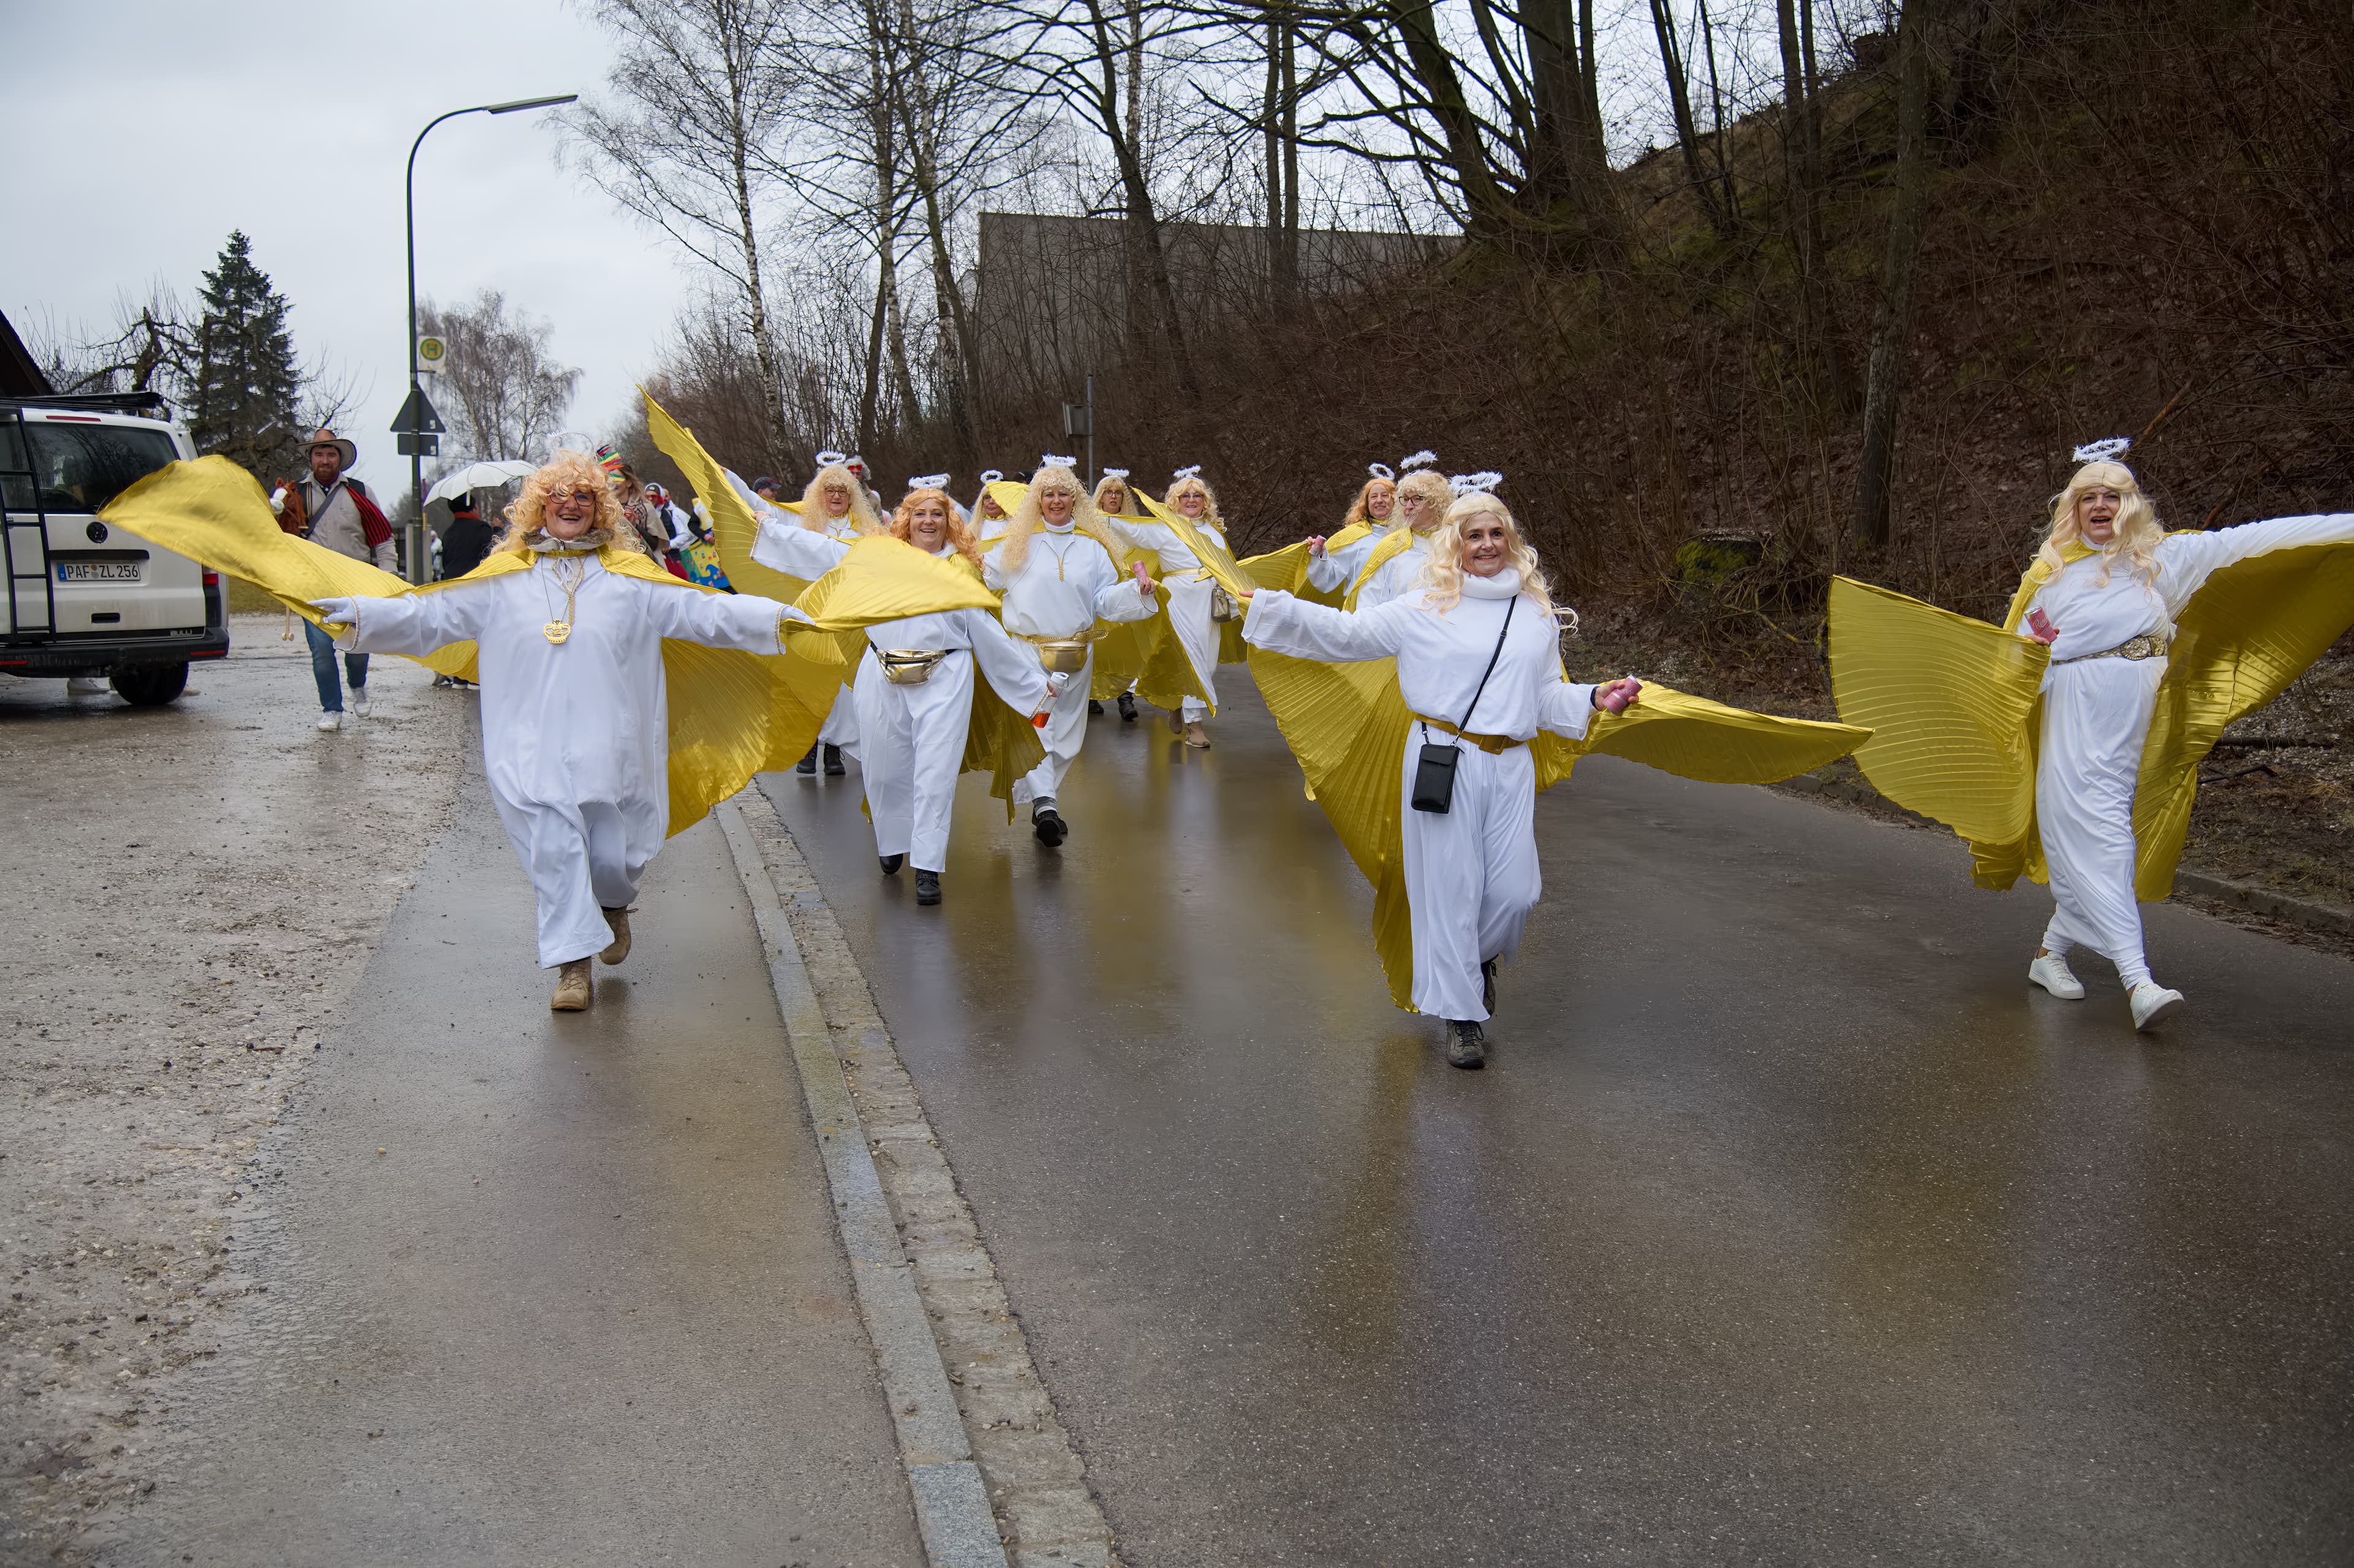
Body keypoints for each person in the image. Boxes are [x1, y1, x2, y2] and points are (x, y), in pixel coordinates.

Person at [305, 451, 809, 1012]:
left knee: (613, 850)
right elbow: (429, 616)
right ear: (537, 508)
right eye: (558, 496)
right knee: (553, 845)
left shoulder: (630, 580)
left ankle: (613, 904)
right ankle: (574, 967)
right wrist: (359, 615)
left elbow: (703, 612)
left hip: (612, 743)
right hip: (530, 744)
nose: (570, 505)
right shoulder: (502, 581)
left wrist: (776, 617)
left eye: (583, 496)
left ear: (599, 509)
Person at [1241, 492, 1641, 1067]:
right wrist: (1273, 608)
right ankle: (1461, 1017)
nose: (1487, 545)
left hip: (1511, 764)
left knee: (1516, 893)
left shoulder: (1535, 612)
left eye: (1496, 534)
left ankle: (1473, 963)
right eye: (1474, 535)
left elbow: (1545, 697)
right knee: (1451, 890)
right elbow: (1347, 635)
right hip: (1443, 759)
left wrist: (1593, 697)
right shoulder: (1422, 606)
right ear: (1454, 543)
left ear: (1512, 541)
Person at [2008, 450, 2353, 1029]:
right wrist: (2032, 651)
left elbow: (2257, 539)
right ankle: (2138, 982)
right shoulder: (2052, 576)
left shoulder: (2166, 562)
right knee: (2108, 844)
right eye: (2088, 497)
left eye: (2112, 496)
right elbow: (2016, 667)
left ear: (2130, 505)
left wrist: (2347, 527)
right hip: (2072, 731)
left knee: (2102, 845)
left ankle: (2050, 954)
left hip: (2128, 738)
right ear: (2074, 508)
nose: (2100, 506)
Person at [755, 481, 1062, 904]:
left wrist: (1035, 692)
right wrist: (769, 529)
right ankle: (892, 841)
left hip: (946, 676)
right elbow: (826, 551)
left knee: (935, 773)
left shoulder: (960, 569)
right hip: (881, 673)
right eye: (920, 514)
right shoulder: (882, 557)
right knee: (883, 769)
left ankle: (928, 866)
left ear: (949, 522)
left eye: (937, 514)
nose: (928, 521)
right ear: (906, 520)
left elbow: (988, 635)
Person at [983, 459, 1159, 845]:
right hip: (1027, 652)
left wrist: (1137, 591)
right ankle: (1047, 805)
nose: (1056, 500)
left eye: (1064, 493)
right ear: (1038, 500)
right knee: (1039, 726)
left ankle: (1043, 800)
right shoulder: (1017, 544)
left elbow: (1104, 599)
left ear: (1076, 499)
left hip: (1078, 654)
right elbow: (982, 576)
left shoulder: (1092, 548)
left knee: (1067, 736)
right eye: (1048, 494)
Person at [269, 428, 394, 731]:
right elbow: (276, 536)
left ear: (340, 459)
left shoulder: (361, 492)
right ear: (311, 458)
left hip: (357, 584)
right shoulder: (294, 493)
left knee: (357, 647)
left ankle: (358, 685)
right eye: (319, 454)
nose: (325, 460)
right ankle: (331, 709)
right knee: (322, 651)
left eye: (330, 454)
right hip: (314, 585)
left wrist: (388, 576)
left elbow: (382, 537)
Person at [1103, 465, 1232, 748]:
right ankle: (1194, 726)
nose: (1191, 500)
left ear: (1205, 501)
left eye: (1197, 495)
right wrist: (1097, 517)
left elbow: (1229, 570)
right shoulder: (1167, 529)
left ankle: (1177, 702)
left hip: (1209, 603)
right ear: (1176, 501)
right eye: (1185, 496)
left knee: (1207, 663)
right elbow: (1132, 531)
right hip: (1178, 601)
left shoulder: (1214, 534)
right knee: (1190, 658)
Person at [792, 451, 888, 777]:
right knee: (815, 678)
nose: (836, 497)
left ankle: (835, 748)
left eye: (842, 491)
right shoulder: (805, 526)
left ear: (852, 495)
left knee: (845, 680)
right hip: (816, 614)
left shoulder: (866, 529)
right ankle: (810, 743)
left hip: (851, 616)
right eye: (830, 491)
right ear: (820, 494)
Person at [1332, 458, 1459, 614]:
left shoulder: (1455, 543)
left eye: (1417, 499)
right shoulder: (1391, 546)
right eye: (1405, 499)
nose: (1409, 506)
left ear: (1435, 503)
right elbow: (1369, 602)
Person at [1302, 458, 1405, 599]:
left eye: (1385, 495)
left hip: (1399, 610)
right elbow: (1328, 579)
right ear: (1366, 504)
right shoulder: (1355, 538)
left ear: (1395, 500)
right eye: (1374, 497)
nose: (1379, 500)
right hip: (1363, 609)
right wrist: (1319, 555)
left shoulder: (1409, 536)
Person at [432, 490, 498, 688]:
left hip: (452, 589)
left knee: (459, 633)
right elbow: (496, 553)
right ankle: (475, 676)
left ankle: (459, 677)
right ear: (473, 507)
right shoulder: (482, 529)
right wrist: (496, 529)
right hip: (476, 589)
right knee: (479, 633)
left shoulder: (449, 532)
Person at [1091, 468, 1143, 721]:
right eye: (1108, 492)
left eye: (1118, 493)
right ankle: (1091, 696)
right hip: (1098, 589)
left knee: (1126, 645)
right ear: (1100, 496)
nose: (1113, 497)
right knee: (1097, 643)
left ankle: (1126, 697)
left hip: (1125, 589)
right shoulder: (1089, 525)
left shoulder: (1134, 527)